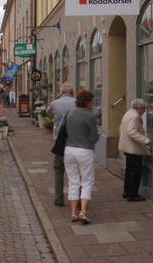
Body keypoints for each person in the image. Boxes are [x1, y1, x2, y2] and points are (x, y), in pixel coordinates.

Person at [63, 90, 99, 224]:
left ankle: (73, 212)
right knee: (87, 181)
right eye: (91, 102)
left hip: (69, 150)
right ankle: (83, 212)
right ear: (88, 102)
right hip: (85, 151)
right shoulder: (90, 117)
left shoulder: (70, 113)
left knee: (73, 181)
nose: (92, 104)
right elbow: (94, 137)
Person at [47, 83, 76, 207]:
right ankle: (77, 200)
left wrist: (57, 101)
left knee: (59, 170)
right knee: (75, 172)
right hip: (75, 141)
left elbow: (49, 114)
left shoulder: (55, 103)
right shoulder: (77, 102)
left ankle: (59, 198)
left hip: (59, 141)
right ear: (71, 92)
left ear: (61, 92)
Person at [118, 99, 153, 201]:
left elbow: (121, 128)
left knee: (129, 170)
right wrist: (146, 140)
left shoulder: (128, 113)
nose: (145, 111)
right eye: (144, 109)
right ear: (140, 109)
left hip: (126, 146)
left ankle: (127, 191)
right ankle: (132, 194)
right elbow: (132, 132)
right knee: (135, 172)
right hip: (133, 148)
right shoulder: (135, 116)